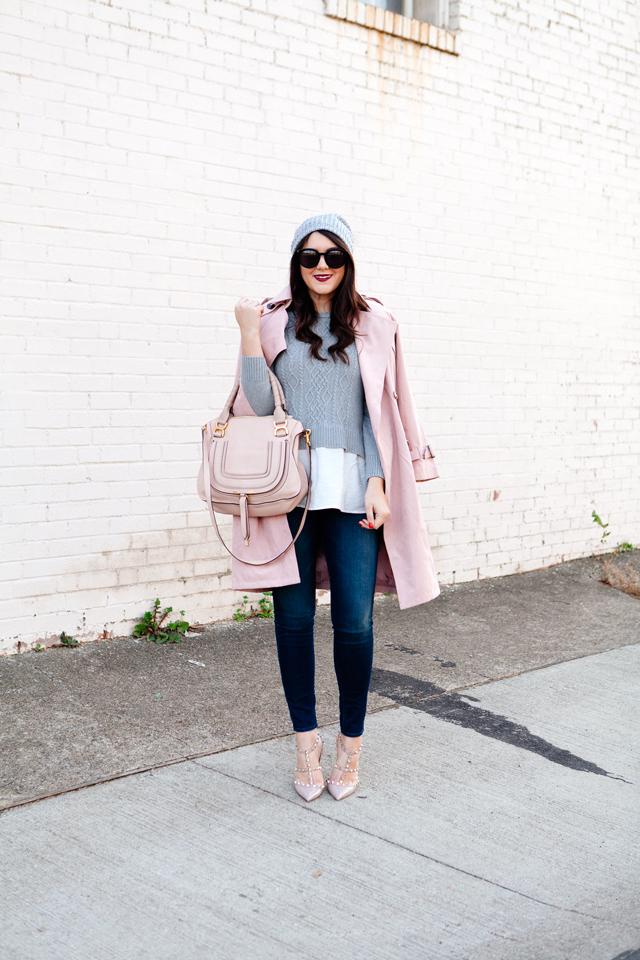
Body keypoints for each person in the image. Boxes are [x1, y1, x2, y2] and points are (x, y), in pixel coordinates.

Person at [232, 214, 439, 802]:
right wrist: (249, 335)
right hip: (287, 497)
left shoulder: (374, 325)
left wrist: (379, 479)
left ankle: (350, 746)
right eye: (308, 256)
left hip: (353, 496)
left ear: (348, 263)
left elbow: (382, 409)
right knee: (293, 623)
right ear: (295, 264)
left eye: (333, 256)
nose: (321, 265)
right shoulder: (274, 323)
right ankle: (306, 746)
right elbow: (254, 404)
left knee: (354, 622)